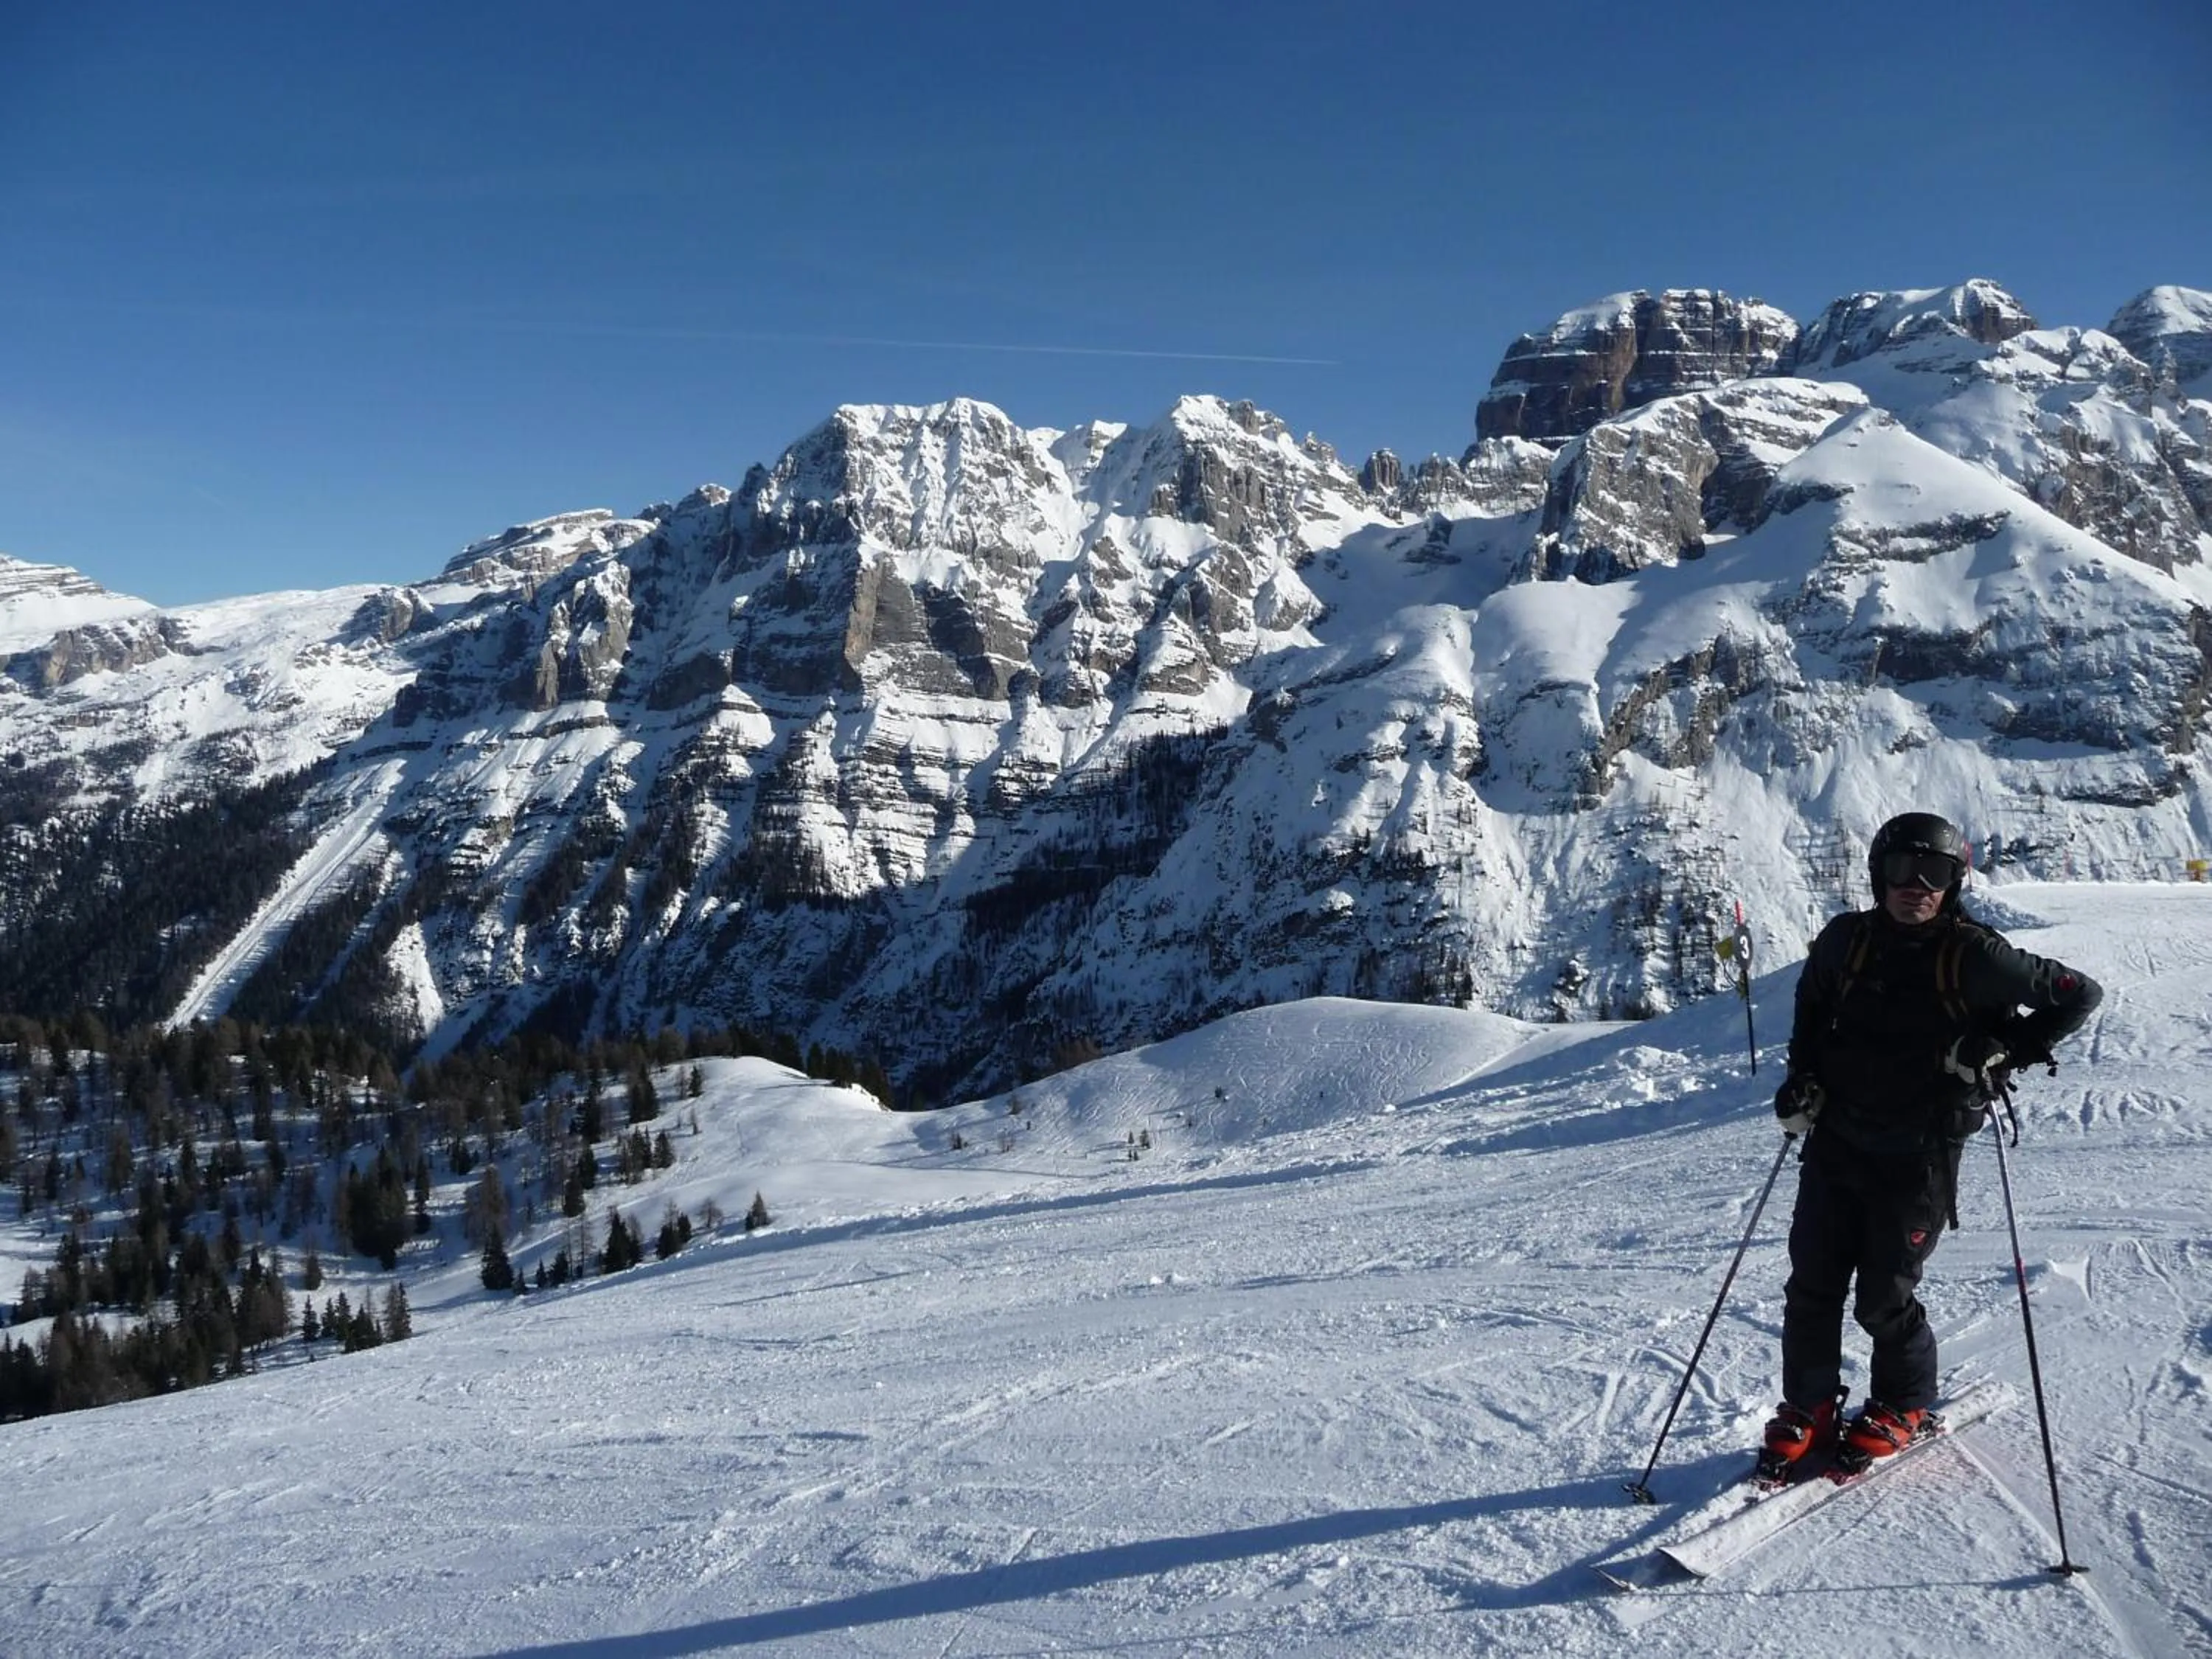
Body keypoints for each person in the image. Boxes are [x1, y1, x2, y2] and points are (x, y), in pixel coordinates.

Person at [1757, 811, 2102, 1478]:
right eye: (1901, 870)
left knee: (1884, 1294)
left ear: (1955, 882)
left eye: (1936, 873)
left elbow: (2079, 995)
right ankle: (1810, 1406)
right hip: (1836, 1140)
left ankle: (1902, 1403)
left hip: (1922, 1150)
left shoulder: (1978, 954)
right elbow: (1809, 1020)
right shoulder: (1843, 941)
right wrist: (1801, 1083)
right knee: (1813, 1285)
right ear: (1878, 875)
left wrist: (2006, 1050)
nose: (1917, 886)